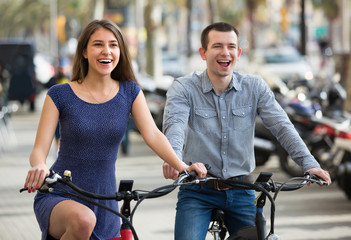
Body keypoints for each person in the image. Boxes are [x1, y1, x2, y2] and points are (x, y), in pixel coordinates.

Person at [23, 19, 206, 240]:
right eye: (98, 44)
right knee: (84, 219)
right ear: (84, 52)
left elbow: (153, 134)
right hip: (60, 194)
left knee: (92, 220)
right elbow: (39, 150)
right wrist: (39, 166)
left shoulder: (130, 92)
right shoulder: (59, 94)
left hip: (106, 201)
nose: (106, 51)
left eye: (113, 44)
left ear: (120, 51)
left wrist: (183, 167)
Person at [162, 22, 331, 240]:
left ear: (239, 53)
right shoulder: (184, 88)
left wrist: (310, 164)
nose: (225, 53)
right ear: (203, 53)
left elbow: (282, 126)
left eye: (231, 47)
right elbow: (174, 126)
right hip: (197, 190)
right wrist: (173, 159)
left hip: (242, 190)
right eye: (217, 46)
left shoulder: (254, 87)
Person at [44, 57, 71, 151]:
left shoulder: (71, 79)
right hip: (56, 112)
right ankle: (58, 151)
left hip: (68, 112)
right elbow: (46, 85)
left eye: (63, 67)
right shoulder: (54, 79)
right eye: (60, 67)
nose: (61, 69)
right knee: (57, 133)